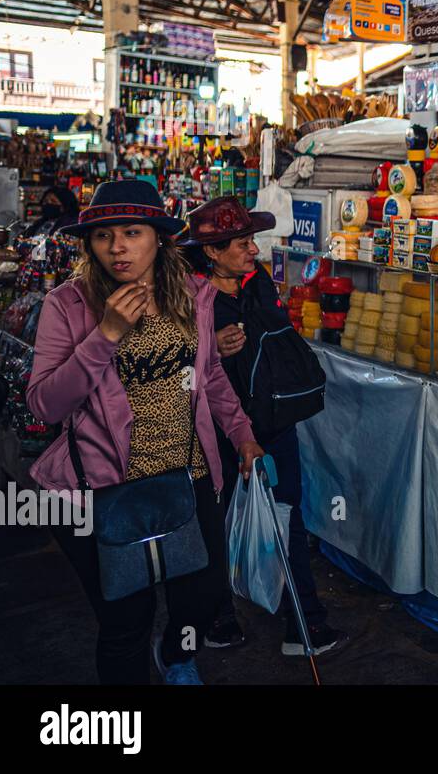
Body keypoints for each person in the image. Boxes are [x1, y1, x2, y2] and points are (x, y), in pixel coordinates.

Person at [26, 179, 264, 685]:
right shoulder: (68, 305)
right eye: (103, 236)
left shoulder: (193, 295)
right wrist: (105, 335)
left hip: (187, 475)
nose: (117, 247)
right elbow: (46, 403)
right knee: (124, 621)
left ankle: (177, 658)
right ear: (88, 244)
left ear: (158, 237)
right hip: (103, 487)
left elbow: (209, 376)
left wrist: (241, 432)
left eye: (132, 232)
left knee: (199, 600)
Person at [180, 195, 346, 657]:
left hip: (272, 425)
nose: (253, 249)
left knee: (287, 520)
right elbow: (173, 370)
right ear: (211, 251)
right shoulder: (187, 297)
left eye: (252, 239)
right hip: (214, 432)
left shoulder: (258, 286)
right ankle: (220, 618)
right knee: (217, 525)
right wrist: (208, 346)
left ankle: (304, 626)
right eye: (241, 242)